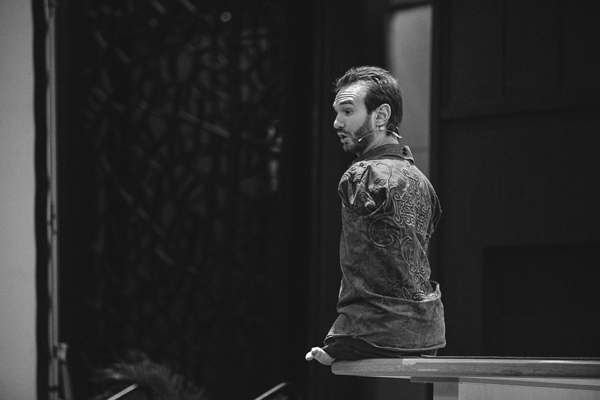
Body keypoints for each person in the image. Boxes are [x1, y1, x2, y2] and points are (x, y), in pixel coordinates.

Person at [305, 66, 445, 366]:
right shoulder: (422, 181)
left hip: (370, 331)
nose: (337, 123)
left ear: (381, 116)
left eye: (347, 111)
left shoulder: (361, 174)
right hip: (428, 331)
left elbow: (359, 263)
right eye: (337, 113)